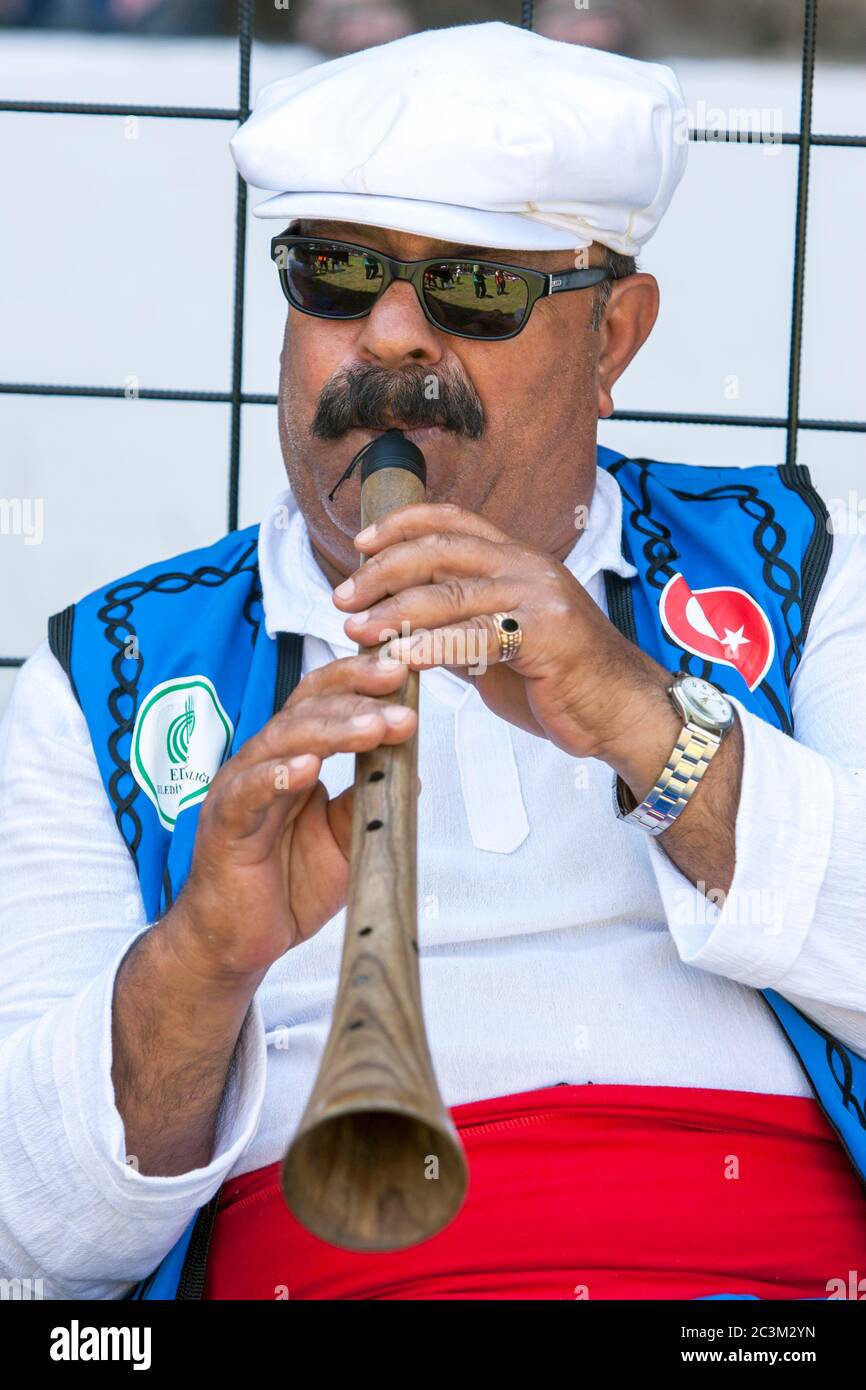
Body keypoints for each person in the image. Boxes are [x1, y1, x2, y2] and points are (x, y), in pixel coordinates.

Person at [2, 21, 866, 1302]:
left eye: (474, 287)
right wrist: (205, 957)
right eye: (338, 275)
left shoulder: (802, 561)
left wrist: (647, 725)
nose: (391, 338)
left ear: (613, 337)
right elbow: (33, 1253)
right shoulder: (114, 668)